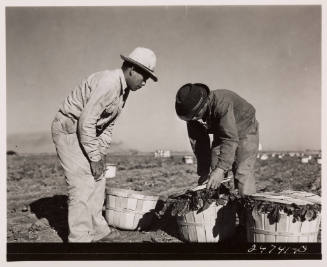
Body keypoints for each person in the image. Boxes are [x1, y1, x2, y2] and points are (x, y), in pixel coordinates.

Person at [51, 47, 158, 242]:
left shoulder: (124, 91)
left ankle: (98, 231)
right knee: (82, 184)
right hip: (70, 128)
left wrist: (100, 153)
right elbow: (86, 122)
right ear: (131, 69)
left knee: (98, 178)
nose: (145, 82)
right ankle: (80, 238)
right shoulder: (109, 83)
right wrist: (94, 156)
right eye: (144, 76)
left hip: (86, 132)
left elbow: (108, 125)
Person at [175, 83, 259, 196]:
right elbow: (199, 144)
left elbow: (230, 138)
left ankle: (248, 209)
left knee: (242, 171)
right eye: (191, 118)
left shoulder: (222, 104)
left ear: (204, 104)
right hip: (223, 131)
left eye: (196, 115)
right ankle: (224, 206)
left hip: (245, 127)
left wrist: (220, 170)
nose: (194, 119)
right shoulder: (191, 115)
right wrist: (204, 172)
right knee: (214, 168)